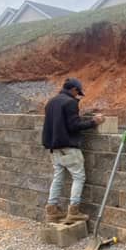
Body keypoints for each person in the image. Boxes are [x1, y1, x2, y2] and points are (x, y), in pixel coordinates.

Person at [42, 78, 104, 222]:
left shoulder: (51, 102)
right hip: (68, 147)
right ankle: (74, 211)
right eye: (78, 93)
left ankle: (52, 210)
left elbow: (61, 122)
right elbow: (73, 126)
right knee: (78, 177)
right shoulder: (70, 102)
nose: (78, 96)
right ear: (74, 89)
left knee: (58, 177)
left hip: (54, 147)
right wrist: (93, 122)